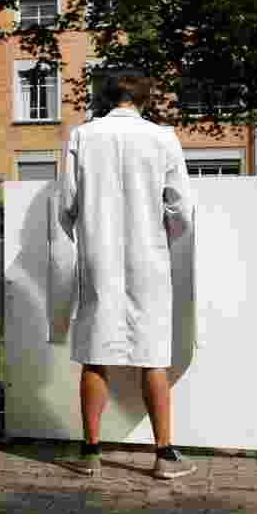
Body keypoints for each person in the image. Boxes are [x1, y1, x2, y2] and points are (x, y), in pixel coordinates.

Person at [58, 74, 196, 480]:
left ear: (105, 98)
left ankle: (90, 454)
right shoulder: (162, 138)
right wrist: (160, 236)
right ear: (143, 100)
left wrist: (85, 235)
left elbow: (65, 204)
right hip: (148, 257)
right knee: (152, 352)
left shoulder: (82, 137)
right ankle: (163, 454)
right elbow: (181, 210)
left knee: (95, 351)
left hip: (98, 256)